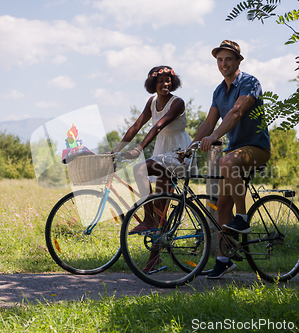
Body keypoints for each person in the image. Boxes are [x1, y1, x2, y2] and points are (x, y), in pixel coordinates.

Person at [192, 40, 271, 279]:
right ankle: (224, 260)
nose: (223, 64)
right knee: (222, 205)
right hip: (235, 151)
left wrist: (215, 136)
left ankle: (243, 218)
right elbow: (208, 122)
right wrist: (191, 146)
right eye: (219, 60)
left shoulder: (249, 82)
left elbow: (237, 112)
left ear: (238, 60)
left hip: (256, 147)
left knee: (226, 162)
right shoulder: (218, 91)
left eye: (228, 59)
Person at [112, 65, 191, 241]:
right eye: (160, 81)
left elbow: (158, 125)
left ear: (173, 82)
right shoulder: (152, 102)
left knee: (139, 169)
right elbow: (136, 126)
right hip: (162, 152)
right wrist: (116, 150)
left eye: (168, 80)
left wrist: (139, 148)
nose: (165, 84)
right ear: (152, 84)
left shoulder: (177, 102)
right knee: (160, 207)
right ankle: (154, 258)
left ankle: (148, 219)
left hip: (178, 153)